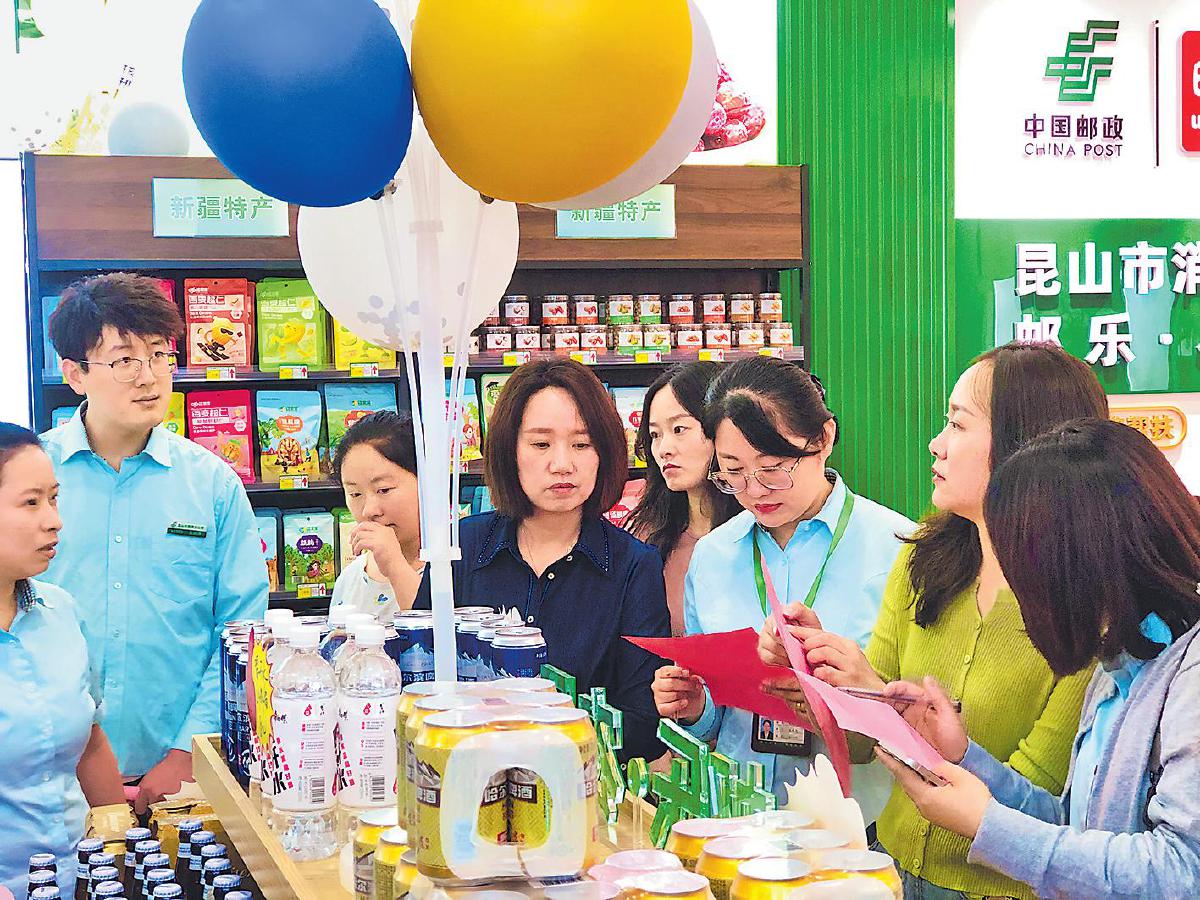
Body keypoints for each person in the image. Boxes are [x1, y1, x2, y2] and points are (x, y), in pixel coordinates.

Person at [758, 342, 1104, 900]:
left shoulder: (1087, 610)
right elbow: (864, 746)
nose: (935, 444)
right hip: (892, 869)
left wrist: (885, 705)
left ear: (1026, 444)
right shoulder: (923, 558)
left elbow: (1038, 806)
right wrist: (826, 675)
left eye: (957, 424)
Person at [878, 418, 1200, 899]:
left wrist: (987, 825)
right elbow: (1075, 828)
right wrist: (965, 758)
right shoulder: (1120, 662)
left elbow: (1182, 870)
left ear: (1078, 556)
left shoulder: (1187, 673)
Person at [41, 273, 269, 813]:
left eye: (160, 355)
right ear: (75, 374)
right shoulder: (32, 480)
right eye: (124, 360)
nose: (149, 377)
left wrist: (192, 749)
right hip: (47, 776)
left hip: (178, 781)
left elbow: (242, 630)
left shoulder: (212, 484)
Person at [651, 356, 915, 817]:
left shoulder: (898, 550)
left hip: (855, 827)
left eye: (773, 466)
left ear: (824, 438)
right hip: (737, 822)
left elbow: (920, 717)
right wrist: (694, 707)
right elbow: (719, 717)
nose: (755, 491)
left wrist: (841, 687)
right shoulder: (712, 558)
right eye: (733, 471)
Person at [414, 359, 670, 760]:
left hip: (581, 783)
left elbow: (643, 722)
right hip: (466, 775)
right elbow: (419, 677)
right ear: (508, 451)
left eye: (582, 444)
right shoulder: (460, 547)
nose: (562, 464)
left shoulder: (635, 565)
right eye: (540, 444)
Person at [0, 424, 129, 898]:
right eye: (31, 503)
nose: (54, 521)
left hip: (84, 879)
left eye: (54, 499)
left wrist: (123, 849)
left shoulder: (60, 612)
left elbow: (89, 740)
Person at [625, 362, 738, 636]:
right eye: (655, 435)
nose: (664, 449)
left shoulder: (763, 531)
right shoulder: (646, 538)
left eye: (678, 429)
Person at [331, 411, 423, 619]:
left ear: (426, 481)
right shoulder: (350, 579)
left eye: (384, 490)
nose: (369, 510)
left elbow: (438, 633)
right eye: (355, 494)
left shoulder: (454, 569)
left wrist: (394, 565)